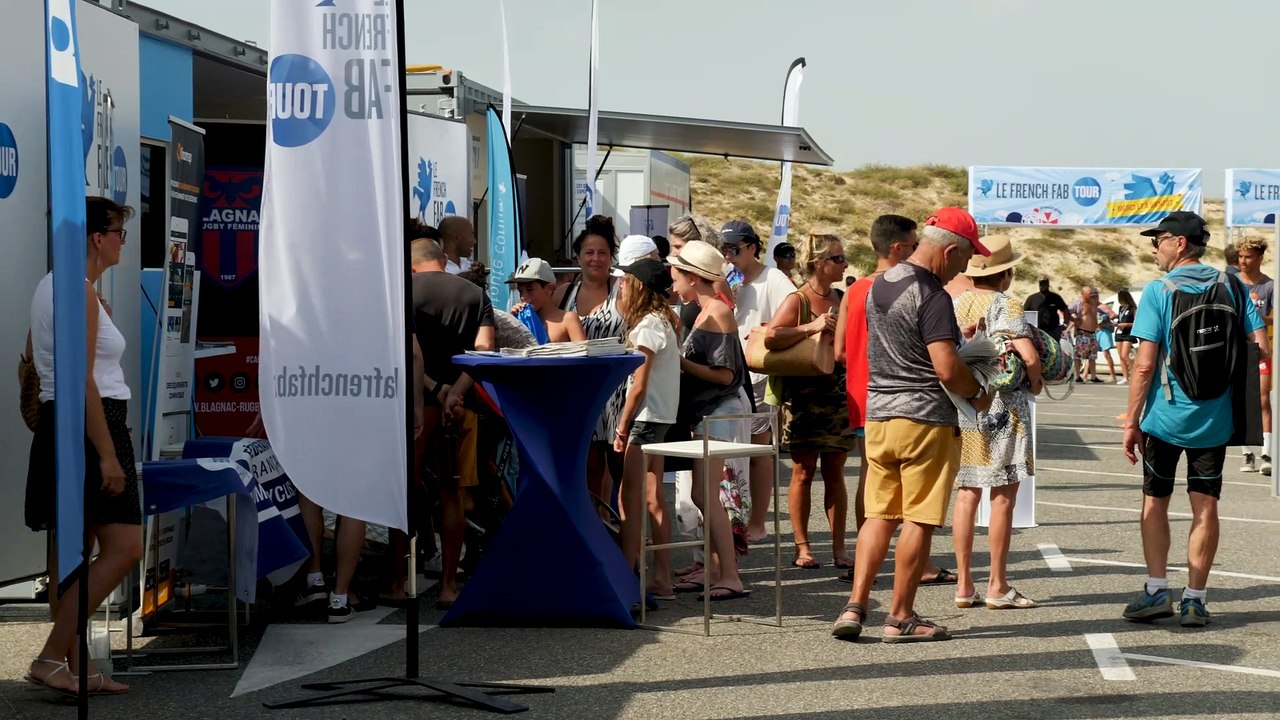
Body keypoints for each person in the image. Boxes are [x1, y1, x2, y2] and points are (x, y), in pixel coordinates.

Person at [831, 207, 992, 643]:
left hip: (880, 415)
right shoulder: (932, 294)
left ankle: (854, 605)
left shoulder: (878, 284)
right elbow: (945, 369)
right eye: (966, 258)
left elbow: (898, 343)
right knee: (918, 519)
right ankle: (900, 615)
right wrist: (978, 391)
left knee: (879, 516)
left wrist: (955, 340)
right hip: (925, 419)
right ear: (950, 252)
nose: (964, 268)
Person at [1122, 211, 1267, 628]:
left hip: (1164, 418)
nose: (1154, 248)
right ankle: (1195, 600)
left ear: (1180, 243)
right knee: (1205, 505)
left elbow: (1144, 365)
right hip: (1215, 418)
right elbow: (1260, 345)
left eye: (1158, 240)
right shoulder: (1232, 286)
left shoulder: (1159, 291)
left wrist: (1131, 420)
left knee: (1155, 501)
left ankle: (1156, 590)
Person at [25, 197, 142, 695]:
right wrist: (109, 453)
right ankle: (52, 656)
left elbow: (36, 354)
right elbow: (83, 380)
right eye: (118, 232)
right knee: (125, 546)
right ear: (99, 238)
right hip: (93, 424)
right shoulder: (77, 291)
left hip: (67, 421)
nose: (121, 242)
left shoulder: (56, 287)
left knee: (73, 552)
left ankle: (78, 667)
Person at [834, 215, 952, 586]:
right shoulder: (907, 288)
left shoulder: (856, 290)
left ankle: (862, 568)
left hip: (863, 394)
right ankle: (918, 569)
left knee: (873, 486)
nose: (918, 251)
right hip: (907, 396)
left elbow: (839, 351)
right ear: (899, 248)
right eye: (914, 245)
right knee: (917, 500)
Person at [950, 236, 1042, 611]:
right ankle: (997, 584)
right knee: (1003, 496)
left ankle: (964, 583)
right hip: (1005, 408)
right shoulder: (1007, 304)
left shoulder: (956, 303)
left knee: (967, 492)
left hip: (966, 405)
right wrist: (1036, 382)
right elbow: (1028, 355)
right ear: (1006, 274)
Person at [412, 239, 496, 609]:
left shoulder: (403, 292)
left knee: (406, 488)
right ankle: (449, 585)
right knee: (453, 493)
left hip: (416, 405)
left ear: (412, 265)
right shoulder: (474, 294)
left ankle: (397, 581)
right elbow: (484, 352)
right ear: (443, 260)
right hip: (463, 409)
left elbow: (404, 353)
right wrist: (456, 392)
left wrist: (436, 389)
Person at [764, 231, 854, 570]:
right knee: (802, 472)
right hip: (803, 400)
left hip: (838, 396)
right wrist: (812, 327)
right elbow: (772, 337)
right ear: (818, 262)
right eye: (838, 258)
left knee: (835, 473)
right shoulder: (798, 299)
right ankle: (802, 547)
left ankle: (839, 548)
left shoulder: (842, 297)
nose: (844, 264)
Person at [669, 240, 751, 601]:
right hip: (711, 412)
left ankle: (729, 574)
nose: (673, 283)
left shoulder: (716, 311)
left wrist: (679, 361)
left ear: (692, 277)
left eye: (676, 275)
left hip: (718, 411)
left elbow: (724, 374)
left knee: (708, 494)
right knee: (706, 493)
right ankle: (717, 570)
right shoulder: (710, 309)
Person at [723, 219, 795, 543]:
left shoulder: (773, 278)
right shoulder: (731, 278)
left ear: (752, 248)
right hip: (733, 373)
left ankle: (758, 522)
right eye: (724, 249)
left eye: (734, 249)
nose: (728, 255)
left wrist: (768, 330)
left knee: (759, 448)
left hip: (759, 373)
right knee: (737, 449)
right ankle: (737, 517)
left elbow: (795, 307)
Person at [613, 259, 681, 587]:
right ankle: (662, 577)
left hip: (646, 418)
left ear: (638, 287)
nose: (621, 288)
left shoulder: (648, 325)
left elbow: (639, 385)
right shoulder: (663, 320)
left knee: (629, 496)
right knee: (654, 497)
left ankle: (626, 578)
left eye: (625, 282)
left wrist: (622, 425)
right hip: (661, 417)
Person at [554, 215, 627, 504]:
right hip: (579, 393)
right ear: (578, 256)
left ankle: (625, 526)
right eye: (589, 252)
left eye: (602, 253)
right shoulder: (564, 293)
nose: (596, 259)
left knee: (621, 468)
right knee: (588, 468)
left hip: (618, 392)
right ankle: (594, 523)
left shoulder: (624, 289)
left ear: (611, 256)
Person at [1235, 235, 1274, 475]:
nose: (1243, 261)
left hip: (1260, 350)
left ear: (1259, 258)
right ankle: (1247, 452)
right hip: (1236, 350)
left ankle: (1266, 453)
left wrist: (1257, 320)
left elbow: (1275, 318)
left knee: (1262, 400)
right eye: (1240, 256)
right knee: (1240, 400)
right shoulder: (1232, 283)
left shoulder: (1269, 286)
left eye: (1248, 257)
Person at [507, 257, 586, 343]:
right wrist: (511, 322)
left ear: (549, 289)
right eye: (520, 291)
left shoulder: (568, 319)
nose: (523, 297)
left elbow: (583, 350)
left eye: (530, 290)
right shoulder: (520, 321)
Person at [1068, 285, 1103, 382]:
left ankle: (1093, 376)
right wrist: (1075, 320)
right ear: (1083, 294)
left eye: (1092, 293)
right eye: (1089, 293)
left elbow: (1102, 312)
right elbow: (1066, 312)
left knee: (1092, 356)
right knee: (1079, 355)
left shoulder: (1094, 303)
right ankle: (1077, 376)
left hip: (1092, 333)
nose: (1091, 295)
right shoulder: (1079, 304)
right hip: (1083, 333)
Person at [1023, 277, 1073, 341]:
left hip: (1053, 330)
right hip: (1037, 331)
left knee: (1054, 347)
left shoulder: (1055, 297)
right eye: (1041, 285)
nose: (1043, 286)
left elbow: (1065, 310)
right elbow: (1024, 313)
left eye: (1045, 284)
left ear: (1048, 285)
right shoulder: (1032, 299)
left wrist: (1065, 324)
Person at [1093, 290, 1121, 383]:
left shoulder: (1102, 306)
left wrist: (1103, 319)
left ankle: (1113, 376)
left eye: (1094, 297)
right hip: (1095, 331)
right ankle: (1087, 375)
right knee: (1091, 354)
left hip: (1104, 331)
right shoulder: (1091, 307)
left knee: (1106, 353)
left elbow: (1113, 315)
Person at [1113, 290, 1138, 385]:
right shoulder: (1121, 308)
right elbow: (1120, 318)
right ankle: (1125, 377)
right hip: (1119, 332)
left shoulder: (1133, 309)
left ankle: (1134, 374)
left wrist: (1126, 324)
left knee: (1125, 355)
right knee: (1121, 356)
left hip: (1128, 333)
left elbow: (1136, 322)